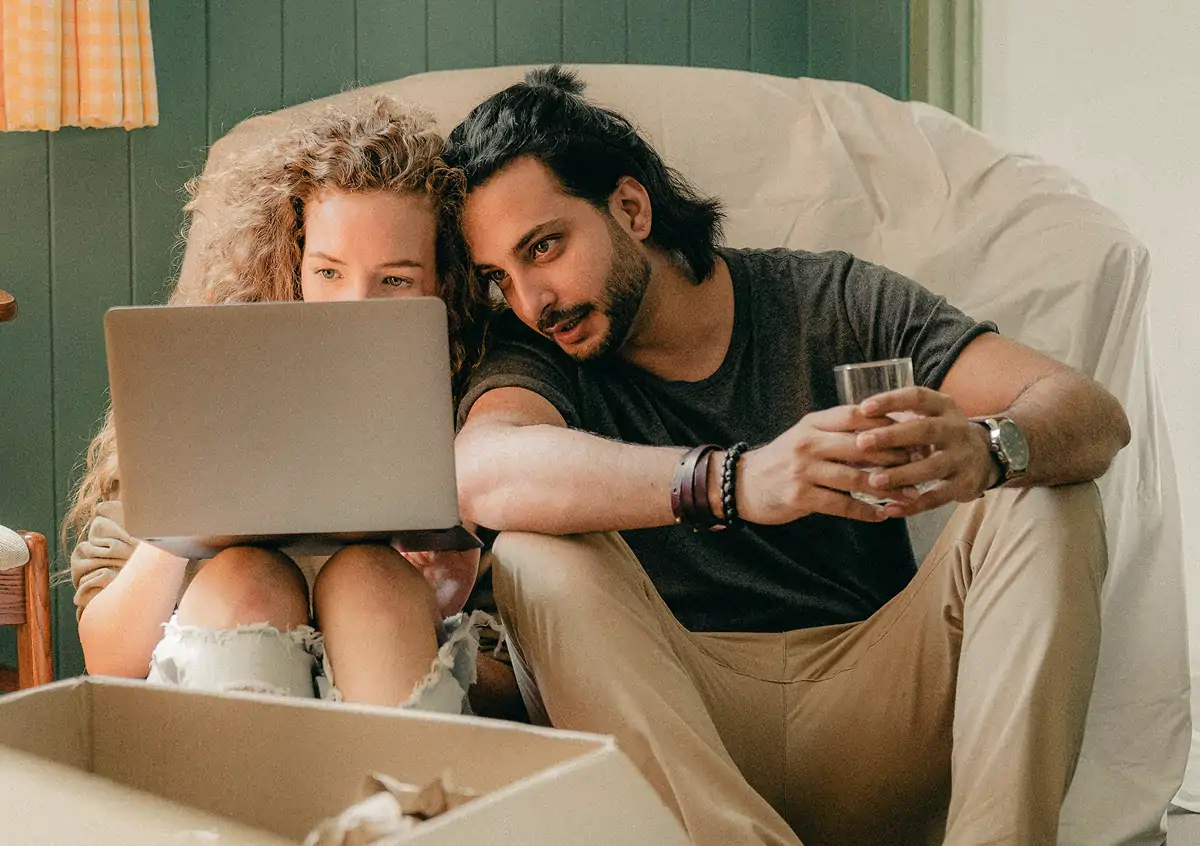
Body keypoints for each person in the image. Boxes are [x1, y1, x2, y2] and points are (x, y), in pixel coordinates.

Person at [443, 66, 1130, 844]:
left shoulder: (828, 302)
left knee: (1046, 488)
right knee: (534, 551)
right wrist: (736, 480)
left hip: (879, 706)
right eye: (502, 277)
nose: (535, 301)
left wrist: (986, 448)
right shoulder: (536, 352)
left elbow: (1088, 411)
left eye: (545, 247)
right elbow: (486, 469)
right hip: (682, 726)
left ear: (630, 208)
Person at [66, 96, 497, 714]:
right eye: (328, 273)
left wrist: (440, 600)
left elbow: (525, 680)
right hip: (223, 680)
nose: (356, 308)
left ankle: (392, 810)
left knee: (370, 583)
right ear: (291, 265)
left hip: (397, 680)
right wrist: (188, 518)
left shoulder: (482, 401)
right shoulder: (208, 374)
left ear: (442, 283)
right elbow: (106, 658)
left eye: (395, 280)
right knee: (245, 576)